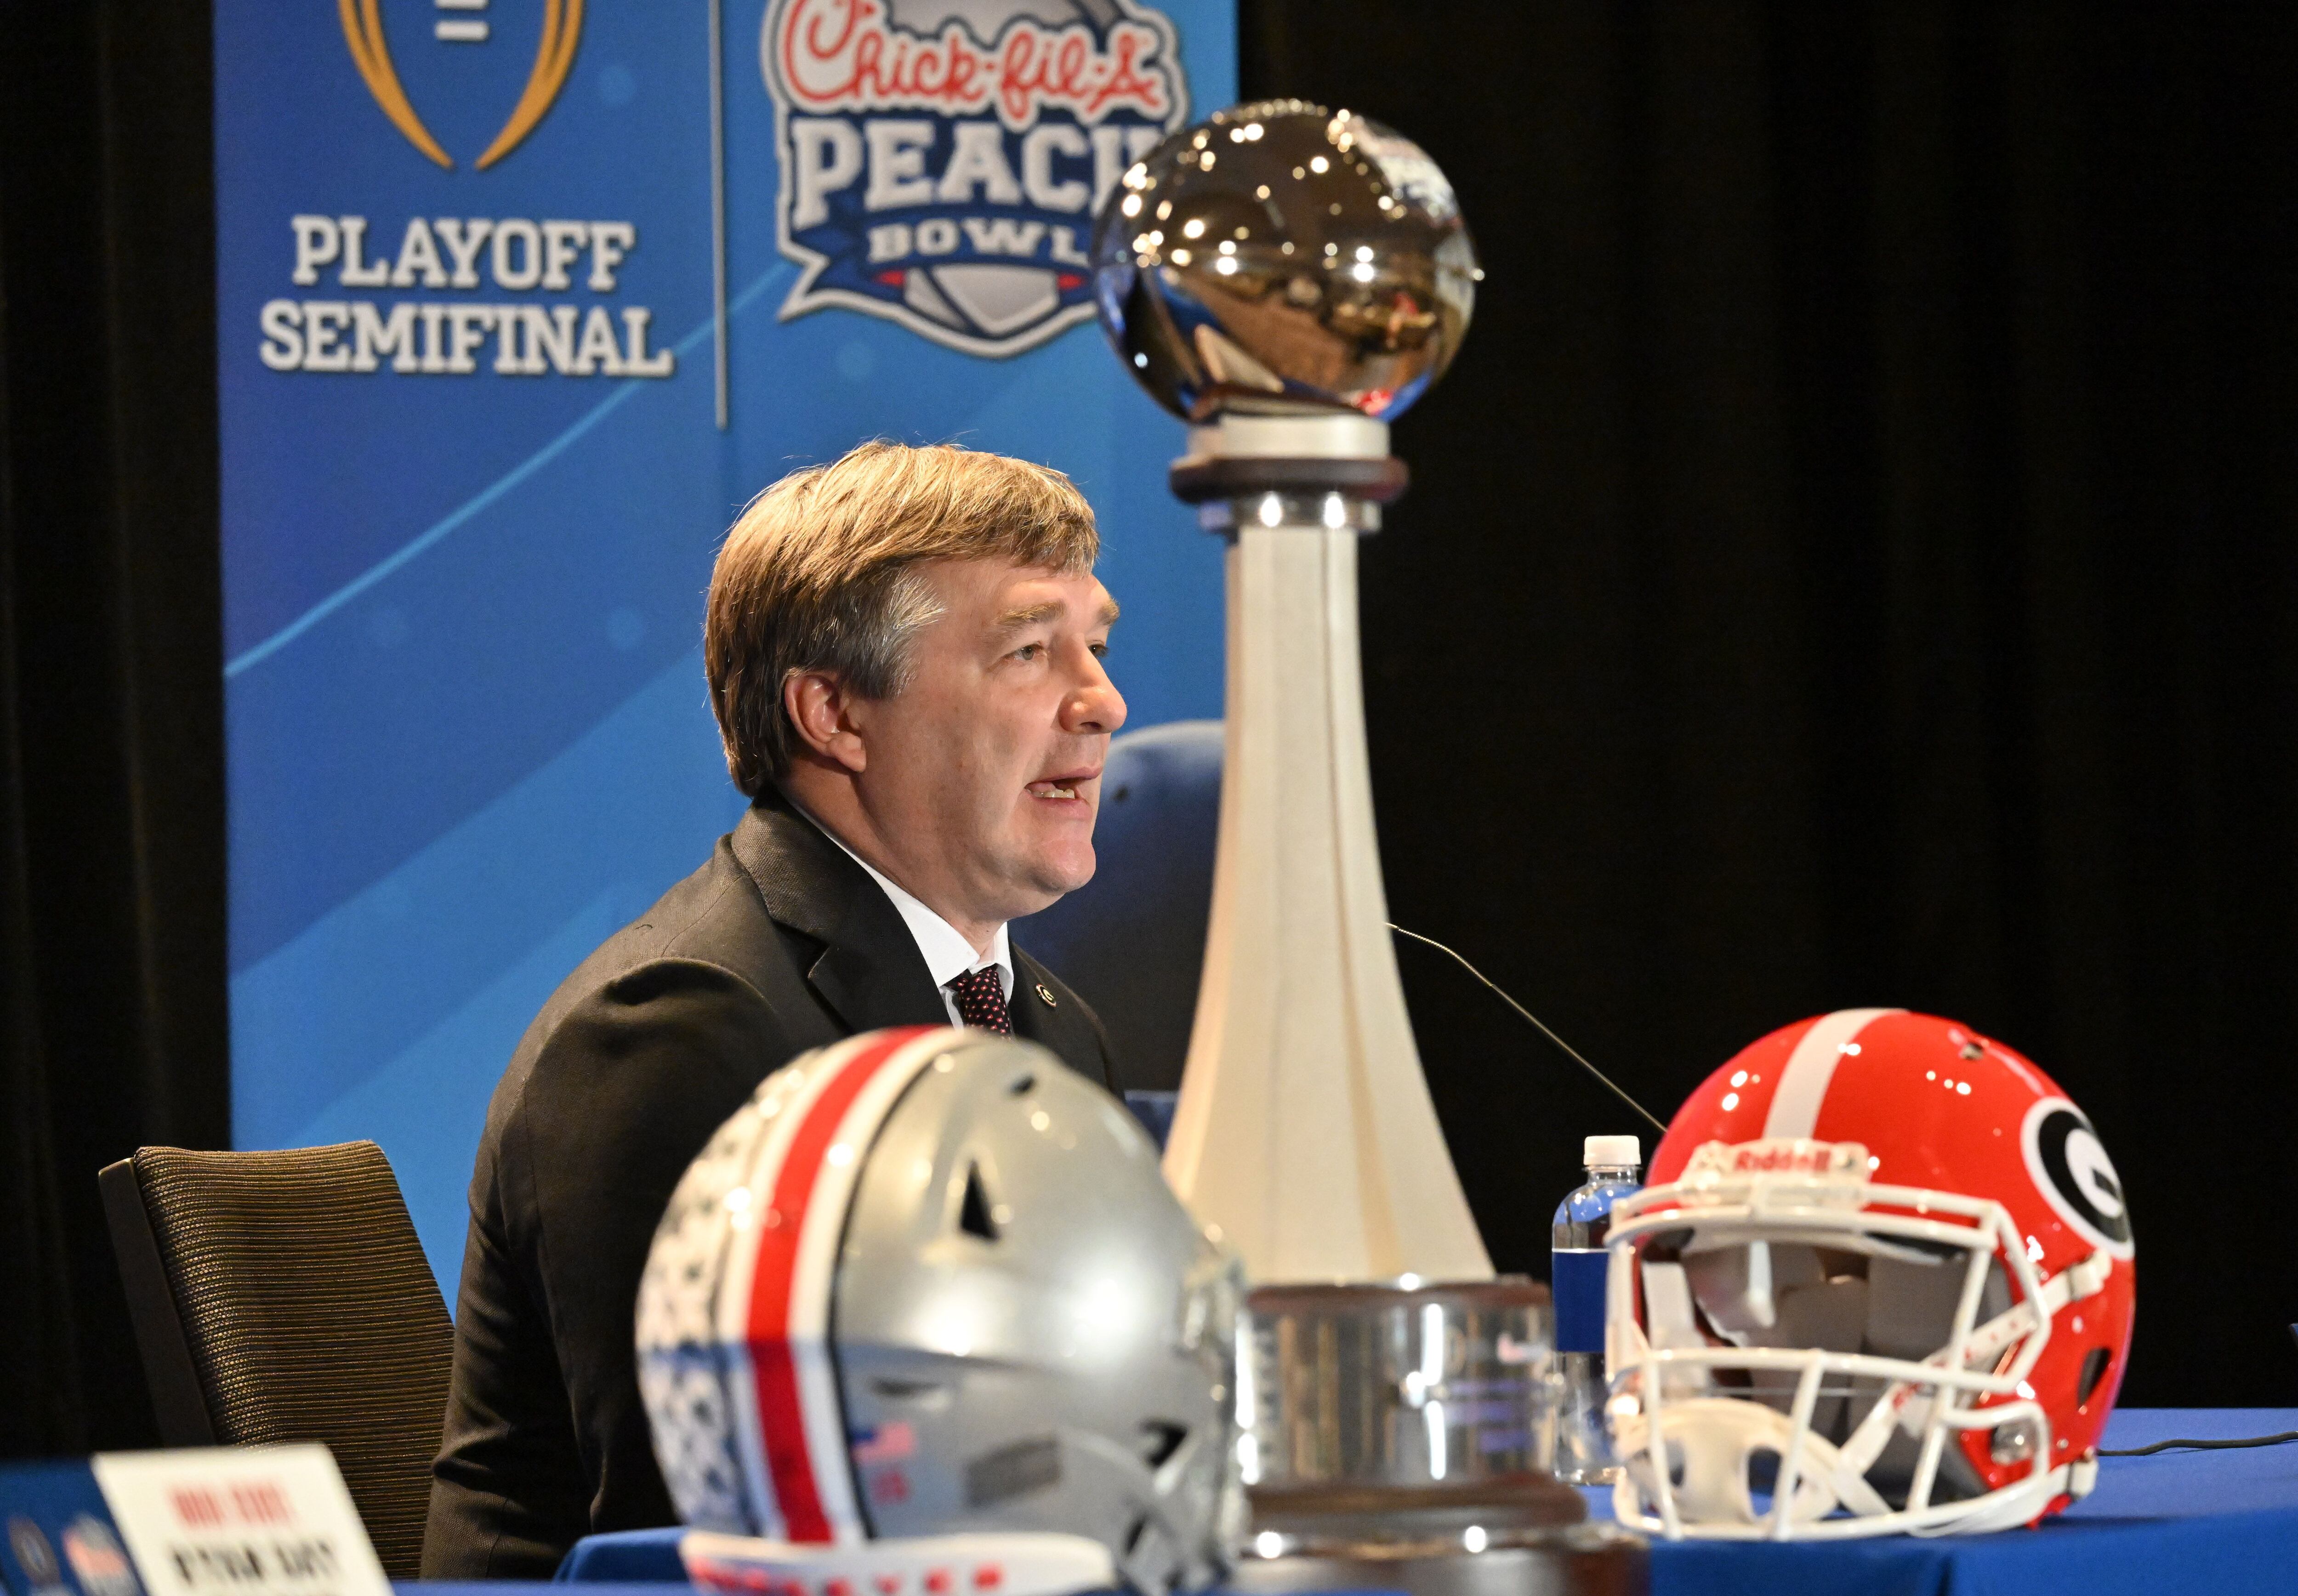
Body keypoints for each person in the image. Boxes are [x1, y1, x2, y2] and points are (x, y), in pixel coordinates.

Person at [421, 442, 1129, 1577]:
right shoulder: (678, 1029)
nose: (1101, 702)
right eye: (1029, 651)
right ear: (835, 716)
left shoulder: (1047, 1024)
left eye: (1094, 645)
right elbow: (712, 1518)